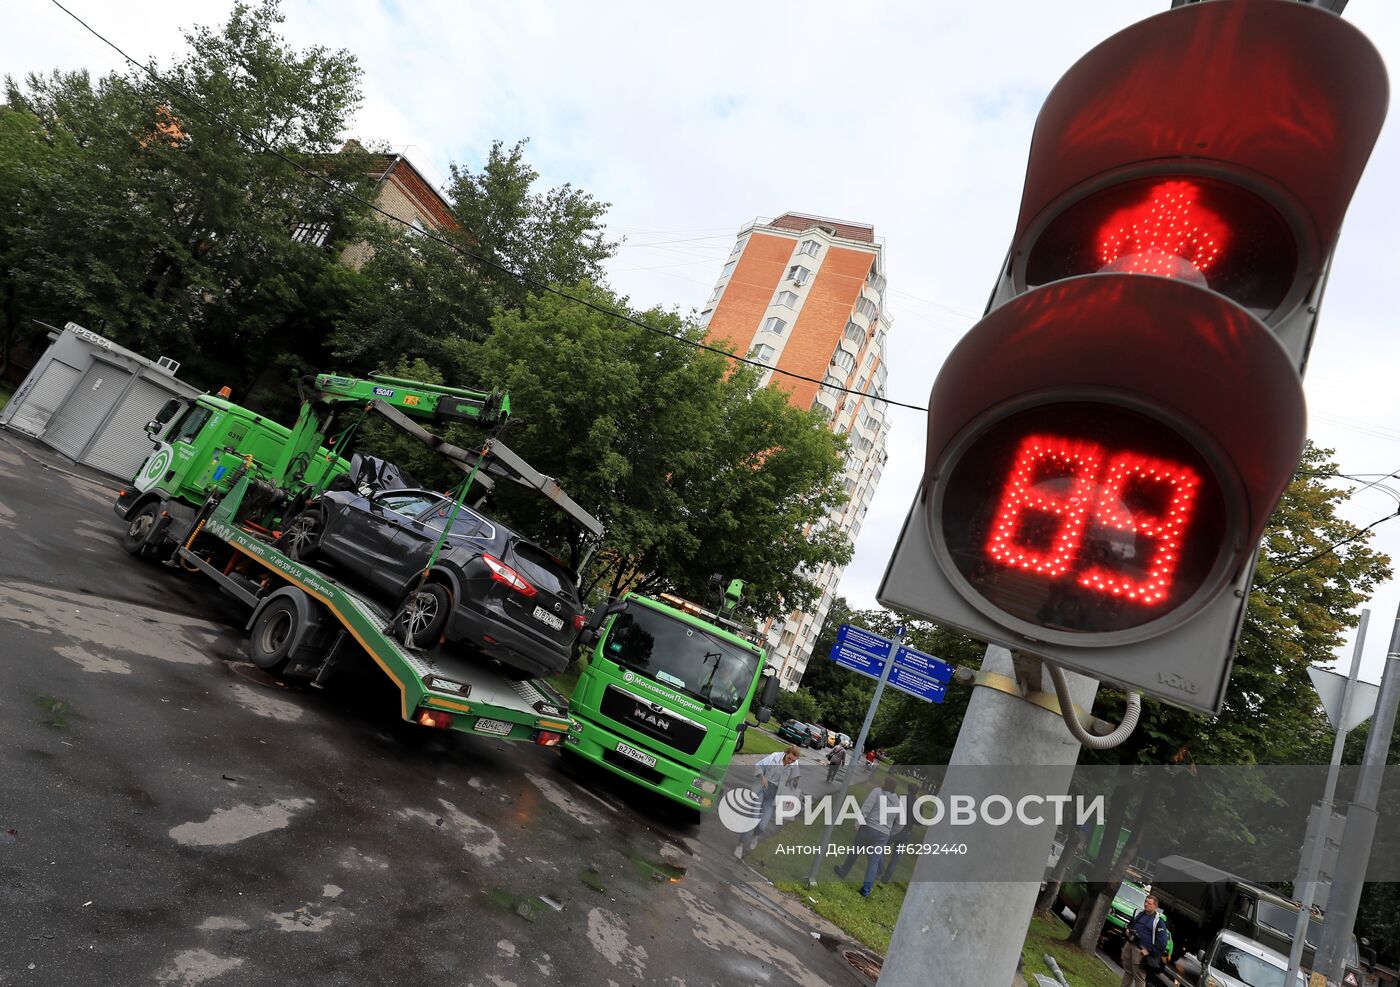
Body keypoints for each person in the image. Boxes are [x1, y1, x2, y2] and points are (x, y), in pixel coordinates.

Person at [833, 775, 901, 896]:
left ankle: (843, 872)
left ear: (885, 783)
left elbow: (866, 807)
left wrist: (858, 821)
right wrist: (891, 832)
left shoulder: (877, 792)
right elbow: (900, 822)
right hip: (883, 834)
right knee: (874, 861)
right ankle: (866, 889)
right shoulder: (897, 801)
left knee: (854, 852)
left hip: (868, 827)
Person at [734, 745, 801, 859]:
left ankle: (756, 835)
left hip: (774, 795)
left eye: (793, 760)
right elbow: (759, 766)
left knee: (763, 825)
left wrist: (794, 785)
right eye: (789, 758)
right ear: (786, 753)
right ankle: (740, 845)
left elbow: (793, 783)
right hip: (762, 788)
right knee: (753, 818)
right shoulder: (775, 756)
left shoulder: (794, 765)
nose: (790, 761)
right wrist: (762, 776)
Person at [1120, 894, 1169, 987]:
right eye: (1145, 902)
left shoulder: (1158, 921)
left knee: (1139, 978)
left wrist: (1149, 950)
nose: (1146, 904)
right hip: (1130, 944)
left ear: (1155, 906)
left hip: (1140, 951)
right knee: (1128, 971)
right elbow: (1131, 924)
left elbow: (1162, 943)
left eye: (1149, 903)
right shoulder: (1140, 913)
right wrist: (1128, 930)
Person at [878, 782, 922, 884]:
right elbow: (919, 822)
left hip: (896, 828)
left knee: (881, 847)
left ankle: (880, 870)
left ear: (908, 788)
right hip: (907, 832)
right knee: (896, 857)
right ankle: (886, 877)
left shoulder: (901, 798)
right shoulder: (918, 803)